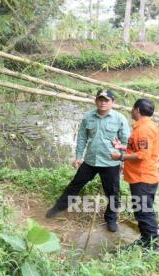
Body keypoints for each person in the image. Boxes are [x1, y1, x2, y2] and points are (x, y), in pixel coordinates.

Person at [45, 89, 130, 232]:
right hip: (90, 161)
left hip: (111, 162)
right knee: (74, 185)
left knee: (113, 192)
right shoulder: (88, 117)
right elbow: (82, 138)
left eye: (106, 100)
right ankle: (58, 208)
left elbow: (126, 141)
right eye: (100, 99)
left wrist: (123, 160)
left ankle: (111, 219)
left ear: (112, 103)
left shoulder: (120, 118)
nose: (103, 102)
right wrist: (78, 157)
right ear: (96, 101)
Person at [111, 98, 159, 250]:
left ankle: (153, 247)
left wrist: (120, 157)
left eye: (133, 109)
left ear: (138, 110)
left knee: (145, 213)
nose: (131, 111)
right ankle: (145, 240)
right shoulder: (145, 126)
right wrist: (121, 146)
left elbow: (142, 155)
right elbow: (139, 147)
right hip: (141, 176)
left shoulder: (144, 129)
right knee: (142, 212)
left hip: (143, 177)